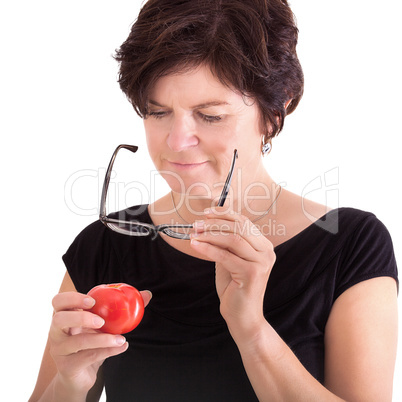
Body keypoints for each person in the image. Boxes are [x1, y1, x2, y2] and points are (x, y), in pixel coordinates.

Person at [29, 0, 398, 401]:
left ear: (276, 111)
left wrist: (253, 333)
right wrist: (69, 383)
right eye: (158, 112)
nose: (176, 141)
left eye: (210, 115)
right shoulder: (104, 246)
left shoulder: (352, 245)